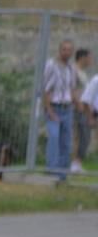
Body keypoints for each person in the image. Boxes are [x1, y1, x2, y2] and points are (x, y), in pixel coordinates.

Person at [41, 39, 76, 178]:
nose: (66, 52)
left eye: (69, 50)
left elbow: (72, 88)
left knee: (66, 142)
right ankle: (51, 171)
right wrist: (49, 110)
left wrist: (74, 104)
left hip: (67, 108)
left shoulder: (71, 68)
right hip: (54, 107)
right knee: (54, 138)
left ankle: (62, 174)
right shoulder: (51, 65)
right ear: (59, 50)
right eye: (64, 49)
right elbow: (45, 88)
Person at [71, 48, 91, 173]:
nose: (91, 60)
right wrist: (78, 104)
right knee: (79, 136)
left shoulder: (83, 73)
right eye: (89, 58)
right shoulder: (74, 71)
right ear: (82, 58)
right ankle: (74, 163)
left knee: (85, 136)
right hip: (77, 109)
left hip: (84, 109)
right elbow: (72, 89)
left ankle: (77, 163)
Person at [80, 54, 98, 167]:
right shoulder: (96, 80)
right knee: (84, 139)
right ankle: (77, 163)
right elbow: (86, 99)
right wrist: (90, 118)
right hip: (95, 114)